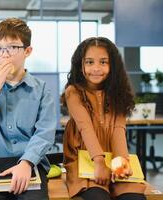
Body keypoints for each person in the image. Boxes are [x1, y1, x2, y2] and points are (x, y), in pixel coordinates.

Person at [0, 18, 56, 200]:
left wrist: (26, 163)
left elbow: (45, 133)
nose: (4, 54)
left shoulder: (41, 90)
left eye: (12, 47)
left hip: (30, 163)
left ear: (27, 51)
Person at [61, 37, 146, 200]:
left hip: (113, 157)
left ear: (112, 65)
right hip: (84, 160)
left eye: (103, 62)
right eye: (89, 62)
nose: (96, 69)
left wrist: (121, 160)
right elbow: (85, 128)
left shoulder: (118, 92)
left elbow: (118, 130)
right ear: (81, 64)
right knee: (98, 196)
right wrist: (99, 162)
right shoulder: (73, 92)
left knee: (134, 197)